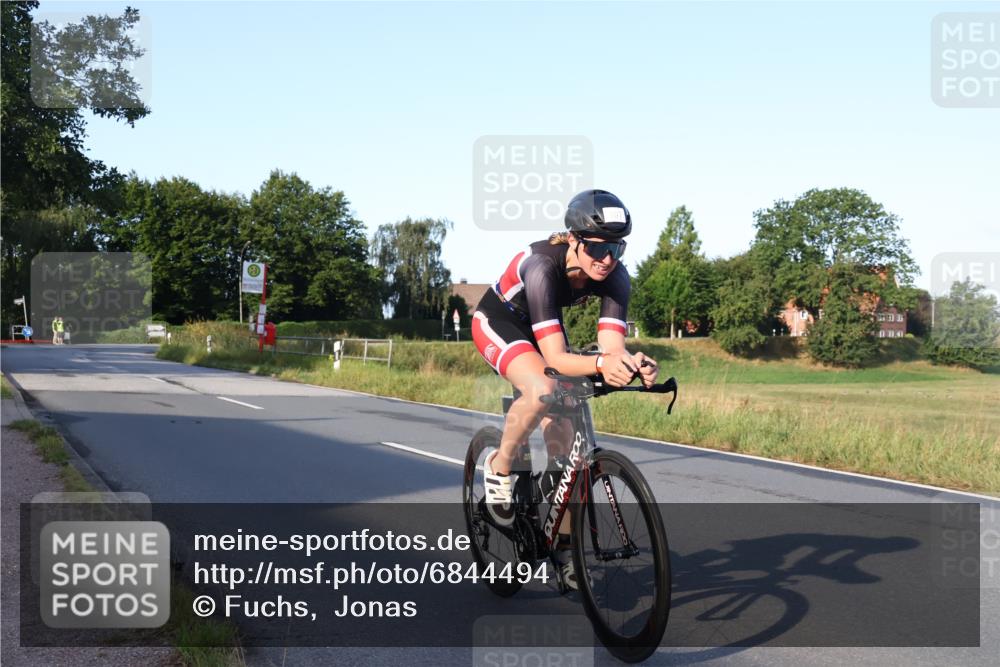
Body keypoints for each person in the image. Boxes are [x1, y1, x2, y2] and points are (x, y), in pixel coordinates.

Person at [470, 189, 659, 589]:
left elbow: (611, 348)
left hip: (543, 329)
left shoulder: (617, 277)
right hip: (500, 323)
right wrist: (600, 365)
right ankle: (499, 470)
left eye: (617, 248)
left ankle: (564, 550)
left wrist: (629, 362)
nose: (607, 259)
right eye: (597, 248)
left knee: (569, 449)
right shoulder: (541, 266)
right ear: (573, 238)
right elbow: (555, 359)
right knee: (542, 387)